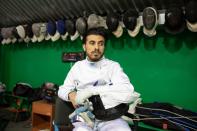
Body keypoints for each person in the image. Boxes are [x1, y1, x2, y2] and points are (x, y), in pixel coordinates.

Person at [58, 27, 137, 131]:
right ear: (84, 46)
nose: (96, 47)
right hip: (84, 116)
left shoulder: (113, 66)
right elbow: (62, 89)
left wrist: (92, 91)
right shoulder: (77, 67)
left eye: (101, 43)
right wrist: (70, 94)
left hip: (110, 116)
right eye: (92, 43)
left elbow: (127, 90)